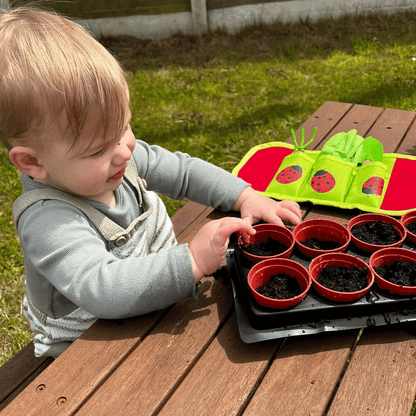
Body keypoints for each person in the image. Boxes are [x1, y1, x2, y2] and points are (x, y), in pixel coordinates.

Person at [0, 7, 302, 358]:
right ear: (32, 162)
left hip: (152, 308)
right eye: (99, 148)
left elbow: (184, 171)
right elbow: (102, 287)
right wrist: (191, 260)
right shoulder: (48, 219)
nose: (125, 149)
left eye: (125, 126)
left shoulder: (116, 156)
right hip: (87, 345)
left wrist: (243, 195)